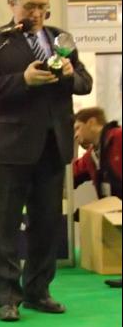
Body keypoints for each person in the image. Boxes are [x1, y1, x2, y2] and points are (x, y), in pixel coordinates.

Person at [0, 0, 93, 321]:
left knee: (46, 225)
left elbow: (85, 82)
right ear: (12, 5)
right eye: (30, 6)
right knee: (5, 227)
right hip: (9, 149)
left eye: (43, 7)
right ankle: (7, 298)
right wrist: (22, 80)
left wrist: (69, 74)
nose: (37, 13)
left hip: (53, 147)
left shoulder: (60, 39)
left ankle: (39, 291)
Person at [73, 106, 121, 288]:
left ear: (92, 122)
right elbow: (71, 176)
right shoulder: (92, 156)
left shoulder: (119, 137)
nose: (76, 134)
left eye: (78, 128)